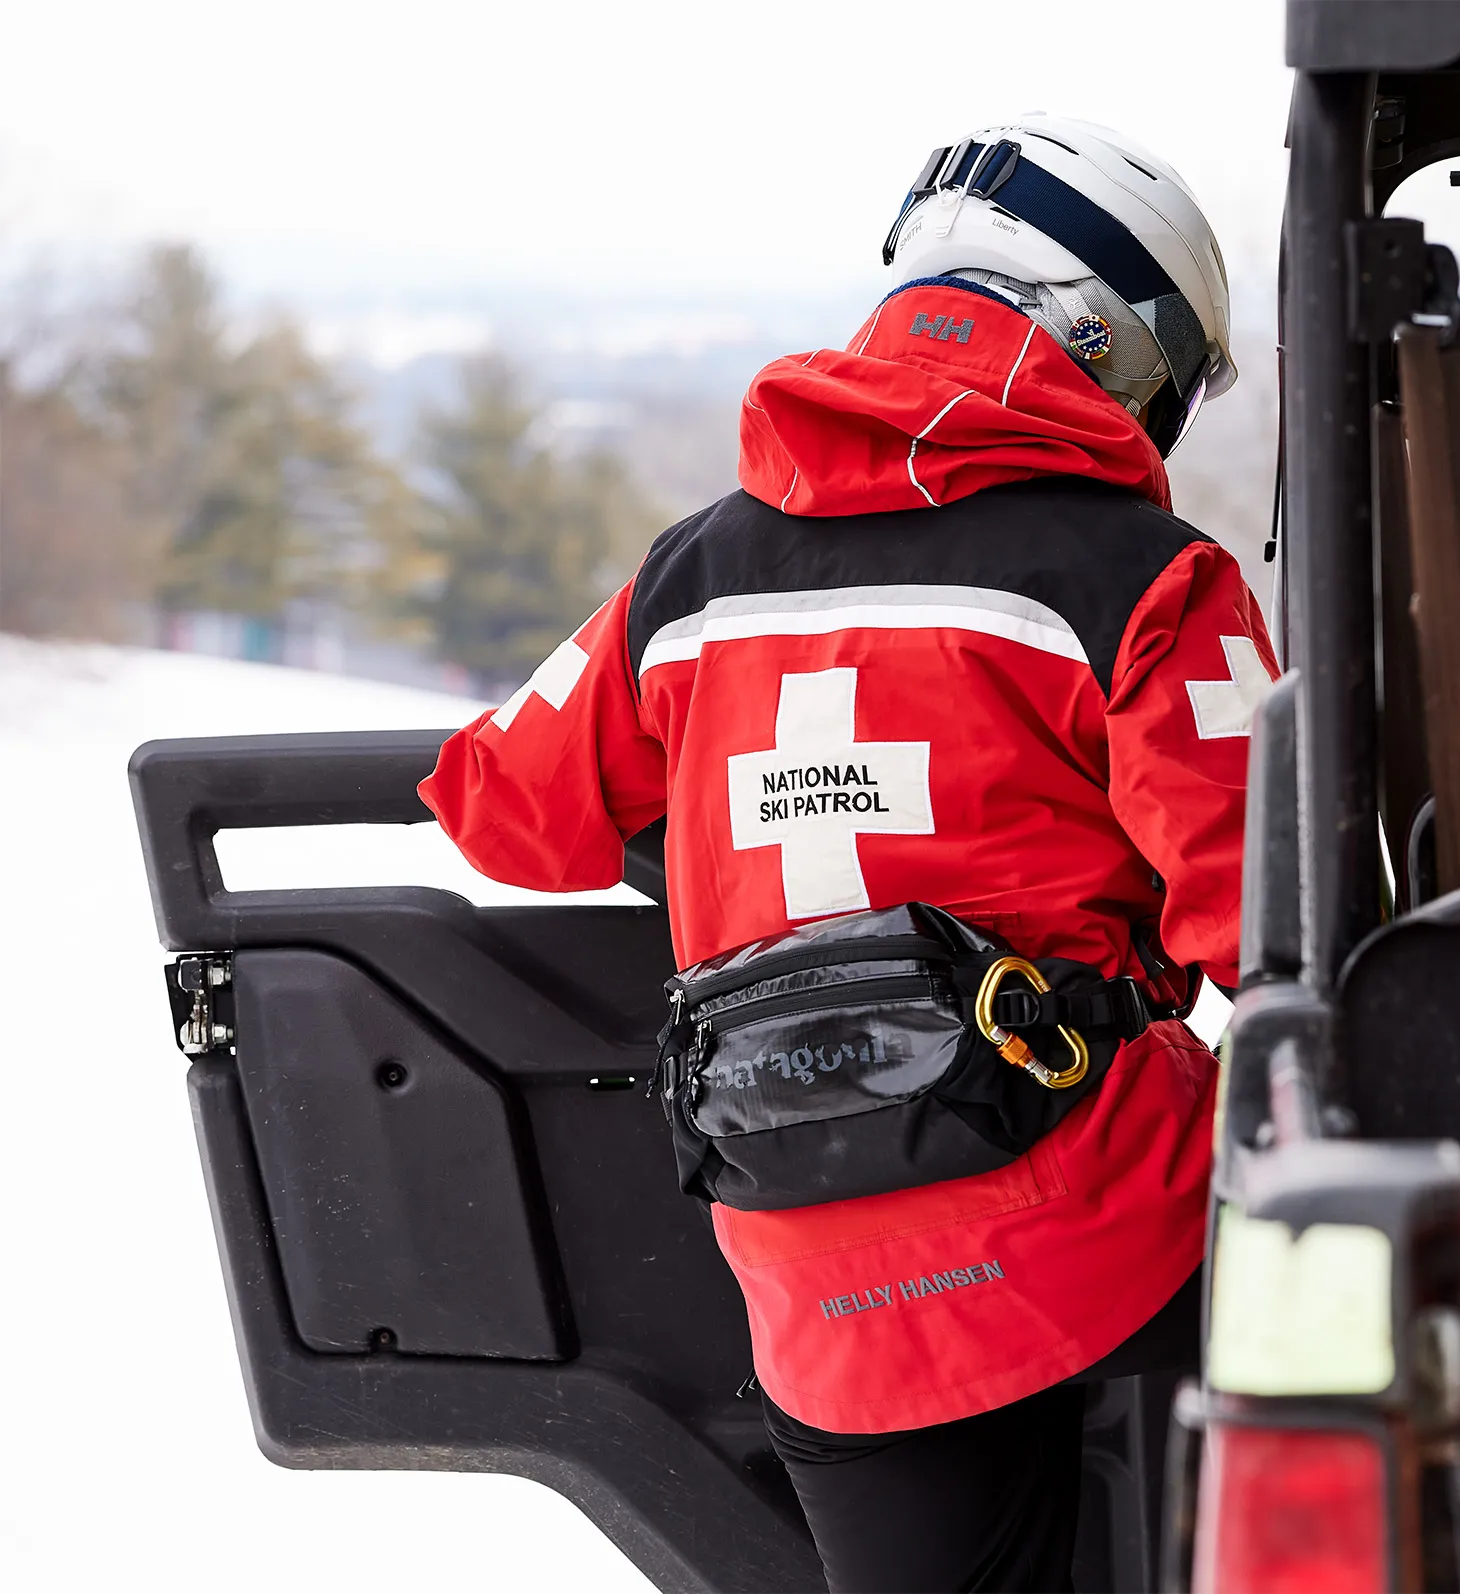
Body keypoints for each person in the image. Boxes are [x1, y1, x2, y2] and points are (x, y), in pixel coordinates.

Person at [419, 115, 1275, 1593]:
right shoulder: (1145, 584)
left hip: (816, 1273)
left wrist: (721, 825)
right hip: (1112, 1237)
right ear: (1099, 338)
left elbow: (500, 801)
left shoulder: (688, 577)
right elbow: (1277, 918)